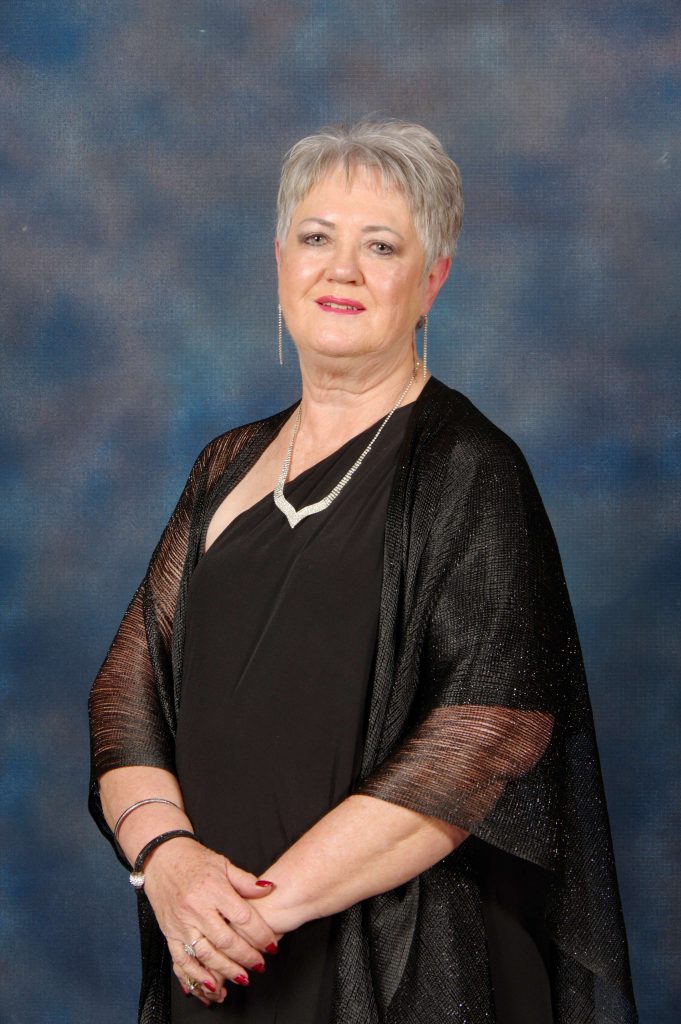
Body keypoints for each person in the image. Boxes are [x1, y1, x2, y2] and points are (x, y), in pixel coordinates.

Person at [88, 117, 639, 1024]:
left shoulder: (471, 470)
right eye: (316, 238)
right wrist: (169, 864)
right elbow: (126, 697)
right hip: (210, 952)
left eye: (380, 246)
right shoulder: (224, 466)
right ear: (279, 263)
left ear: (432, 280)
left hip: (398, 965)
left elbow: (485, 736)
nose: (339, 270)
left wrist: (253, 917)